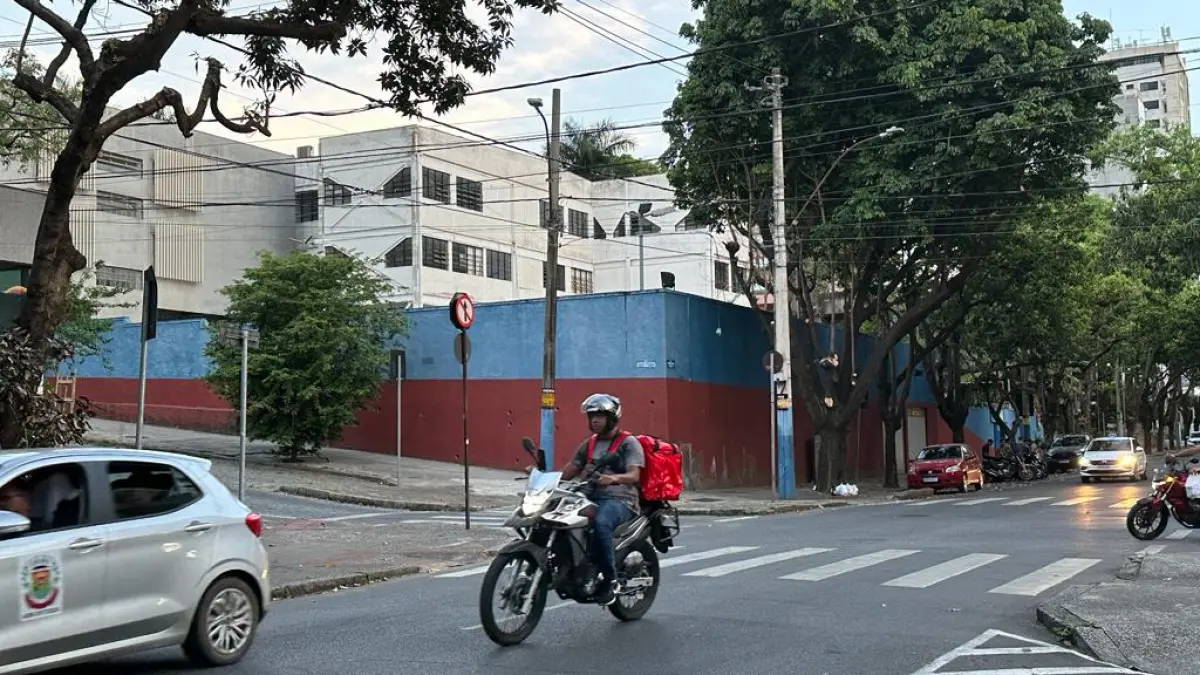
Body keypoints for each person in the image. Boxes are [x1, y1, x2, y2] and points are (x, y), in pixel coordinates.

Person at [560, 393, 644, 606]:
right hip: (589, 495)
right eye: (592, 416)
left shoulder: (628, 443)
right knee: (555, 515)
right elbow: (570, 470)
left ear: (612, 418)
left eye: (600, 416)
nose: (595, 420)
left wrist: (613, 478)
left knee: (601, 523)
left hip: (621, 499)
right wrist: (542, 476)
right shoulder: (588, 444)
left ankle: (610, 580)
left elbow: (634, 475)